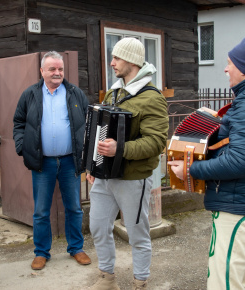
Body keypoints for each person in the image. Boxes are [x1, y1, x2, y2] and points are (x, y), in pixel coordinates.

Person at [87, 38, 169, 290]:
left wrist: (118, 149)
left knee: (137, 234)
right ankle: (107, 280)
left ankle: (140, 282)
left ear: (132, 61)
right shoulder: (114, 93)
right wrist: (93, 165)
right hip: (104, 176)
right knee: (98, 228)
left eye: (116, 58)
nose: (111, 63)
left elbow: (156, 142)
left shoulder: (152, 98)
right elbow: (100, 129)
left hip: (133, 178)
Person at [169, 38, 245, 290]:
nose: (225, 69)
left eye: (229, 63)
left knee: (226, 278)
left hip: (236, 209)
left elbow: (239, 160)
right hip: (237, 203)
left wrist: (191, 169)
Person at [13, 51, 91, 270]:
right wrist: (22, 147)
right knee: (40, 211)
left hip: (69, 161)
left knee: (74, 208)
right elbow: (18, 122)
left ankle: (76, 248)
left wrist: (85, 153)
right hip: (42, 162)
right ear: (42, 71)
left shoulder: (75, 93)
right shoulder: (30, 94)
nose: (57, 73)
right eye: (52, 69)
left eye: (60, 69)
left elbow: (88, 123)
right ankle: (41, 252)